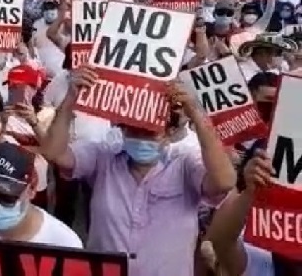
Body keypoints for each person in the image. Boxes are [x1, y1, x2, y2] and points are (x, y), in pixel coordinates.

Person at [39, 66, 236, 276]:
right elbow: (54, 153)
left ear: (169, 133)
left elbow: (224, 181)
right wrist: (70, 99)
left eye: (151, 133)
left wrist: (196, 113)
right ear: (122, 130)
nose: (141, 139)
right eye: (134, 130)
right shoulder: (103, 157)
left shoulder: (185, 163)